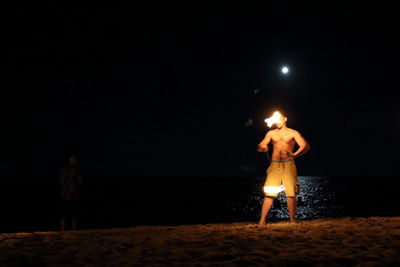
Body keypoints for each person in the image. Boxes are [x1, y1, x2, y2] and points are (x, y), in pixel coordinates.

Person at [257, 112, 310, 225]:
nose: (278, 121)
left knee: (291, 193)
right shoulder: (271, 133)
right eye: (276, 119)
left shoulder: (293, 133)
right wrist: (263, 146)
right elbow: (260, 146)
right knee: (269, 193)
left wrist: (296, 154)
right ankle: (262, 220)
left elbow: (305, 145)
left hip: (288, 164)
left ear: (285, 119)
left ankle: (292, 220)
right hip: (275, 165)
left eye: (280, 118)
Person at [59, 155, 83, 231]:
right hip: (71, 195)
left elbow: (60, 182)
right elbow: (80, 182)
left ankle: (63, 229)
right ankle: (73, 229)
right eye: (75, 160)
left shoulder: (64, 170)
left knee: (65, 213)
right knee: (74, 213)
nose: (76, 162)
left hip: (65, 194)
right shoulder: (75, 170)